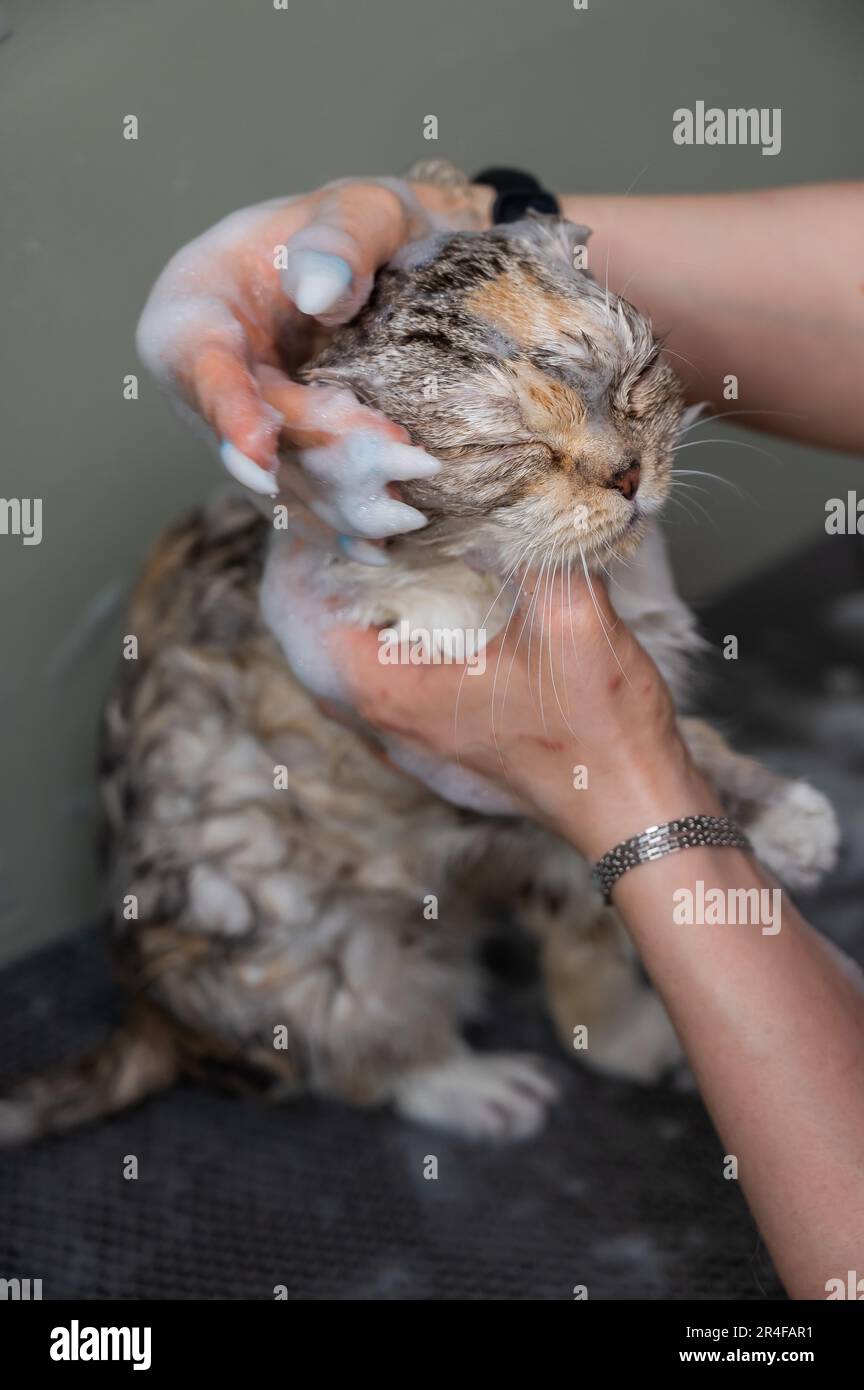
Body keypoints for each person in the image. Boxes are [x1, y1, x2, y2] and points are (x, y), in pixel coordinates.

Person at [138, 175, 864, 1299]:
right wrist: (461, 206)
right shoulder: (397, 599)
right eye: (526, 452)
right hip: (317, 908)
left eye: (633, 384)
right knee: (369, 986)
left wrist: (482, 223)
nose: (624, 469)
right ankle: (403, 1073)